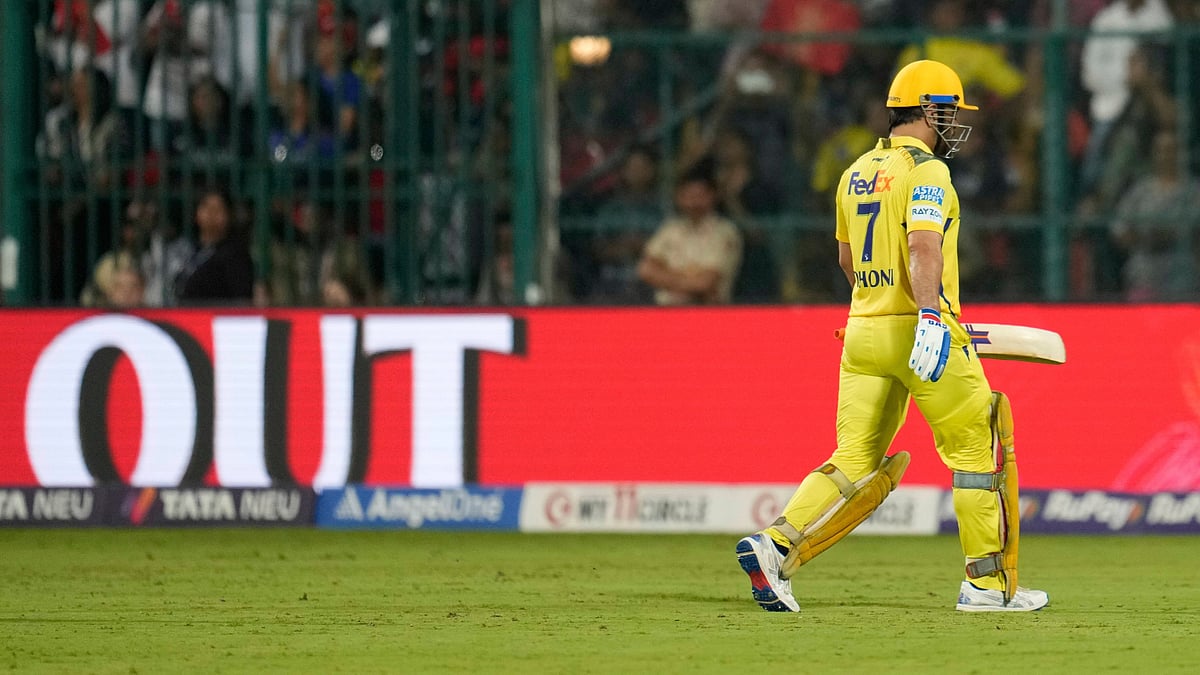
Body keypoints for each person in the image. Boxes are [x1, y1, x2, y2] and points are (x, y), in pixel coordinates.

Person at [735, 60, 1049, 613]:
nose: (953, 123)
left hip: (862, 333)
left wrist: (881, 305)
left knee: (853, 457)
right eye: (949, 112)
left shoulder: (855, 168)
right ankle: (986, 585)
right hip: (924, 331)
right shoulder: (928, 173)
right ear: (929, 110)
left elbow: (846, 258)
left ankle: (775, 543)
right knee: (978, 447)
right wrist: (927, 315)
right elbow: (923, 246)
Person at [637, 168, 743, 305]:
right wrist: (688, 282)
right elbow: (646, 270)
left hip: (710, 312)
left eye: (699, 196)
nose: (693, 203)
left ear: (713, 196)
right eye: (688, 196)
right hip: (665, 313)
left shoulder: (725, 231)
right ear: (679, 198)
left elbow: (706, 283)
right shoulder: (670, 229)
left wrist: (666, 278)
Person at [175, 188, 254, 305]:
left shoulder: (235, 255)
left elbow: (241, 299)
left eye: (218, 209)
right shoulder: (189, 249)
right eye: (206, 207)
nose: (211, 213)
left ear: (228, 215)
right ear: (197, 213)